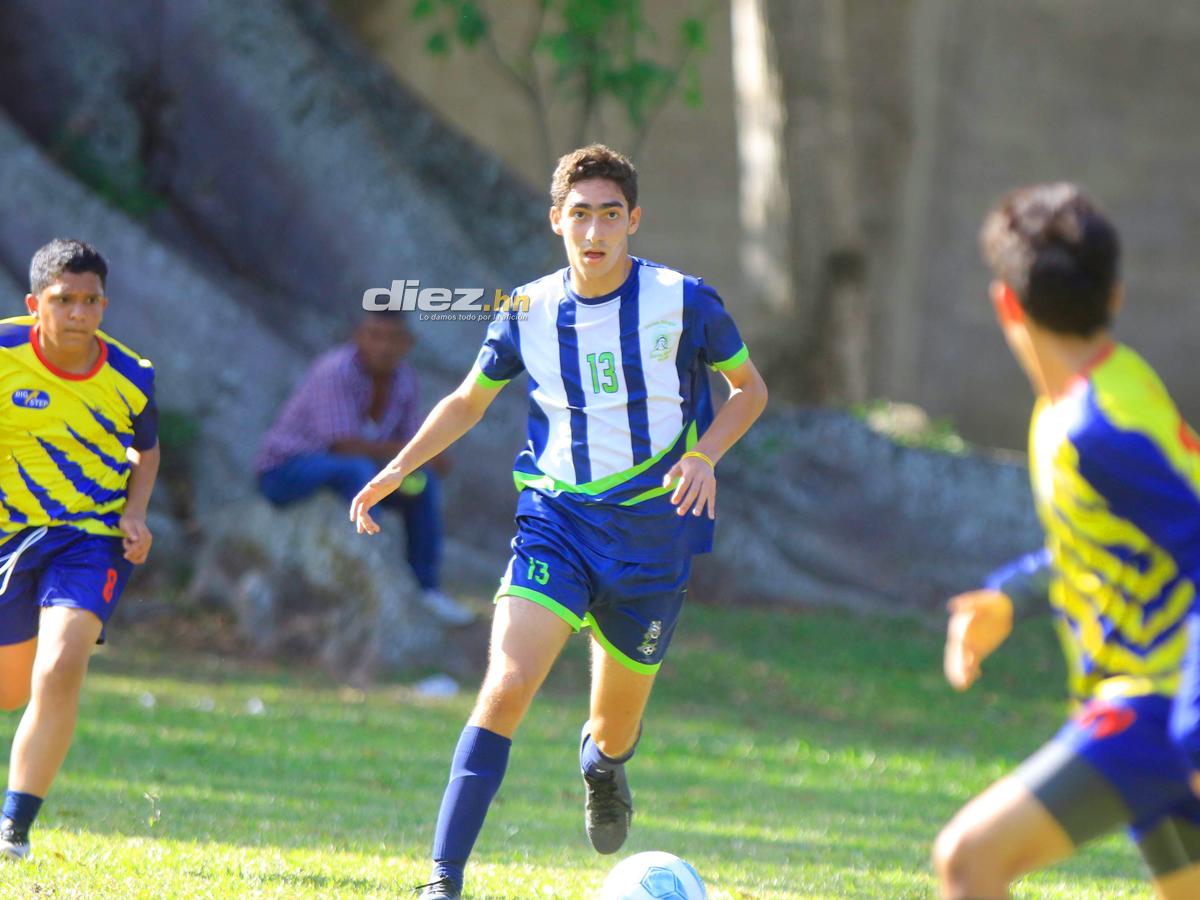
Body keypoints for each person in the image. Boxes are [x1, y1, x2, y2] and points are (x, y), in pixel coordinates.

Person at [350, 144, 767, 899]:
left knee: (614, 729)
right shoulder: (526, 311)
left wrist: (705, 455)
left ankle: (602, 766)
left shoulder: (684, 301)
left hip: (651, 538)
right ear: (556, 222)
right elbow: (468, 402)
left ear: (634, 220)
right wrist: (398, 465)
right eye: (580, 215)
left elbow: (748, 390)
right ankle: (442, 881)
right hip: (557, 522)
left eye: (611, 215)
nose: (595, 231)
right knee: (506, 685)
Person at [935, 184, 1200, 898]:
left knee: (968, 861)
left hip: (1160, 707)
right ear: (1115, 296)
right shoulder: (1101, 393)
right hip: (1159, 702)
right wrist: (1011, 597)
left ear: (1006, 304)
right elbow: (1119, 543)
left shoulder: (1095, 430)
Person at [0, 239, 159, 861]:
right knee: (12, 692)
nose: (78, 314)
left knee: (61, 666)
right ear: (34, 304)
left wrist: (136, 513)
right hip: (12, 539)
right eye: (64, 301)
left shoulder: (130, 375)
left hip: (90, 541)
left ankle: (13, 828)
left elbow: (146, 449)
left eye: (90, 301)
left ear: (104, 305)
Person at [255, 313, 473, 626]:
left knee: (421, 483)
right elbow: (342, 445)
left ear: (407, 344)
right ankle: (374, 586)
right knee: (357, 470)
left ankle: (427, 590)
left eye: (392, 338)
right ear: (358, 337)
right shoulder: (336, 370)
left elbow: (414, 443)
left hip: (356, 472)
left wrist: (428, 457)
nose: (383, 347)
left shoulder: (405, 380)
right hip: (285, 472)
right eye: (374, 336)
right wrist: (419, 452)